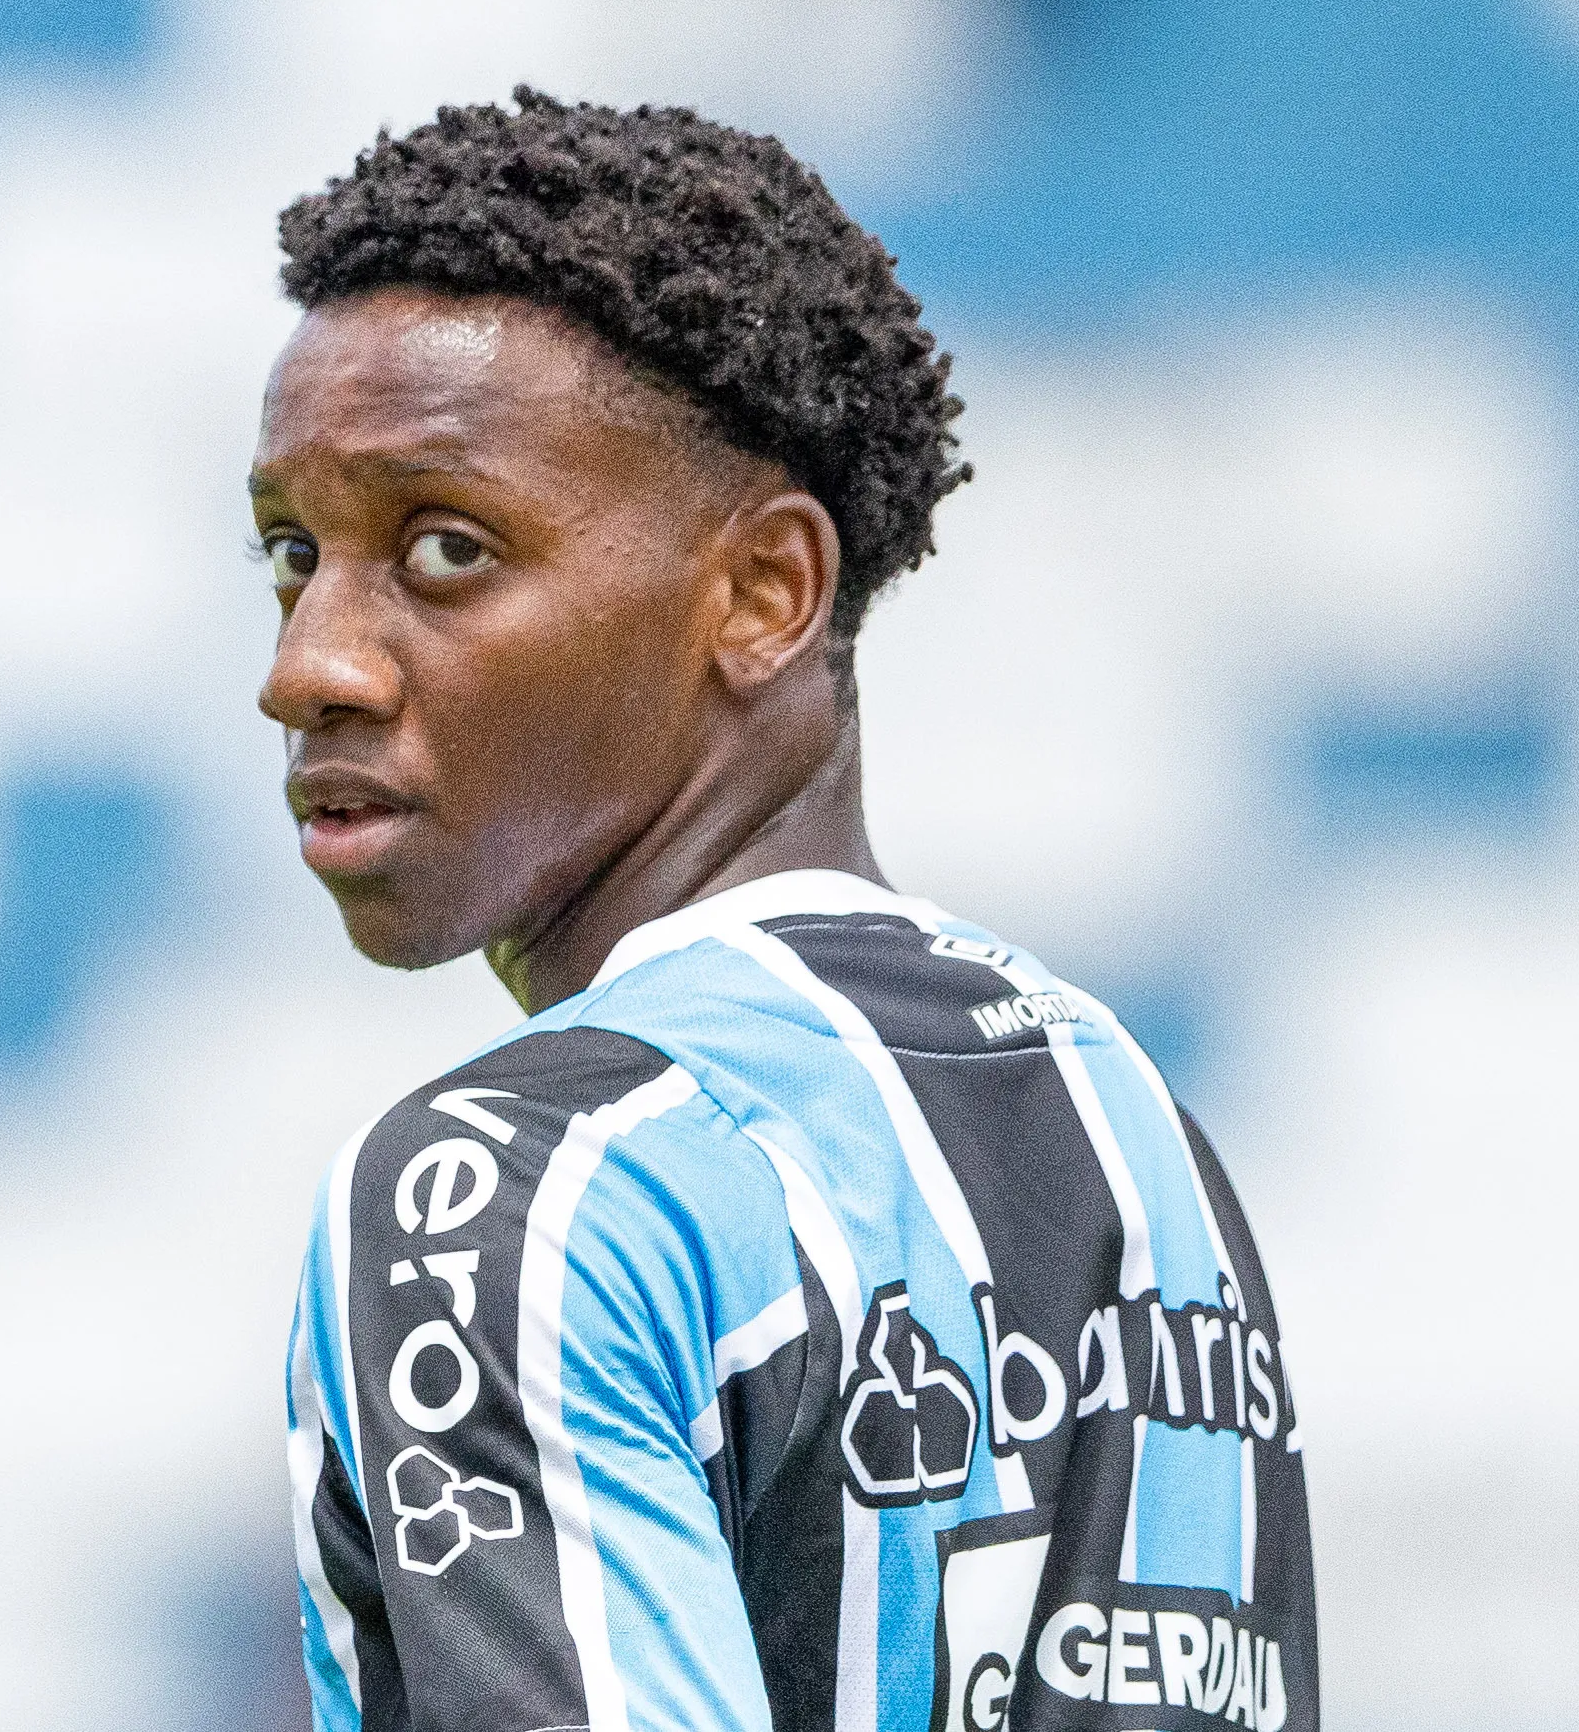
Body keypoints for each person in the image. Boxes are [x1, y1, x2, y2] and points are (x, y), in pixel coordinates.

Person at [260, 89, 1315, 1732]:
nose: (306, 664)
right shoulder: (1131, 1126)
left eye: (446, 547)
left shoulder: (512, 1190)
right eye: (292, 555)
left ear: (762, 594)